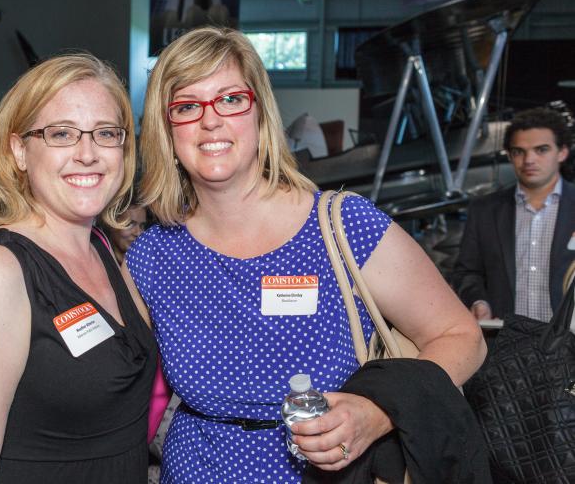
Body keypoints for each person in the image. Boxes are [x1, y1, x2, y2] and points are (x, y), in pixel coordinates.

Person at [124, 27, 487, 483]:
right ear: (166, 129)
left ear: (260, 112)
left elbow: (462, 336)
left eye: (231, 99)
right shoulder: (153, 256)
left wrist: (379, 411)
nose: (210, 121)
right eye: (186, 106)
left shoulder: (342, 226)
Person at [0, 54, 157, 483]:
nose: (87, 154)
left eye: (106, 133)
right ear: (19, 151)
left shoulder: (102, 249)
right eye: (61, 134)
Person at [453, 107, 574, 321]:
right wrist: (478, 301)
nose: (529, 160)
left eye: (541, 150)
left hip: (568, 336)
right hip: (505, 335)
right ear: (509, 155)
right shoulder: (484, 210)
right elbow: (467, 272)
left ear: (562, 152)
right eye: (519, 151)